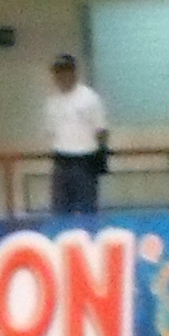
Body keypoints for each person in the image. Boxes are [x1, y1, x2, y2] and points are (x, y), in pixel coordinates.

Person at [46, 55, 112, 216]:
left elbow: (101, 130)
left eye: (66, 71)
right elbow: (51, 132)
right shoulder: (52, 102)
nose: (62, 76)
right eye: (58, 72)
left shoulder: (89, 98)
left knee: (87, 209)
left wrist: (100, 156)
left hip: (84, 161)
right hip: (61, 160)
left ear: (74, 72)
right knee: (60, 211)